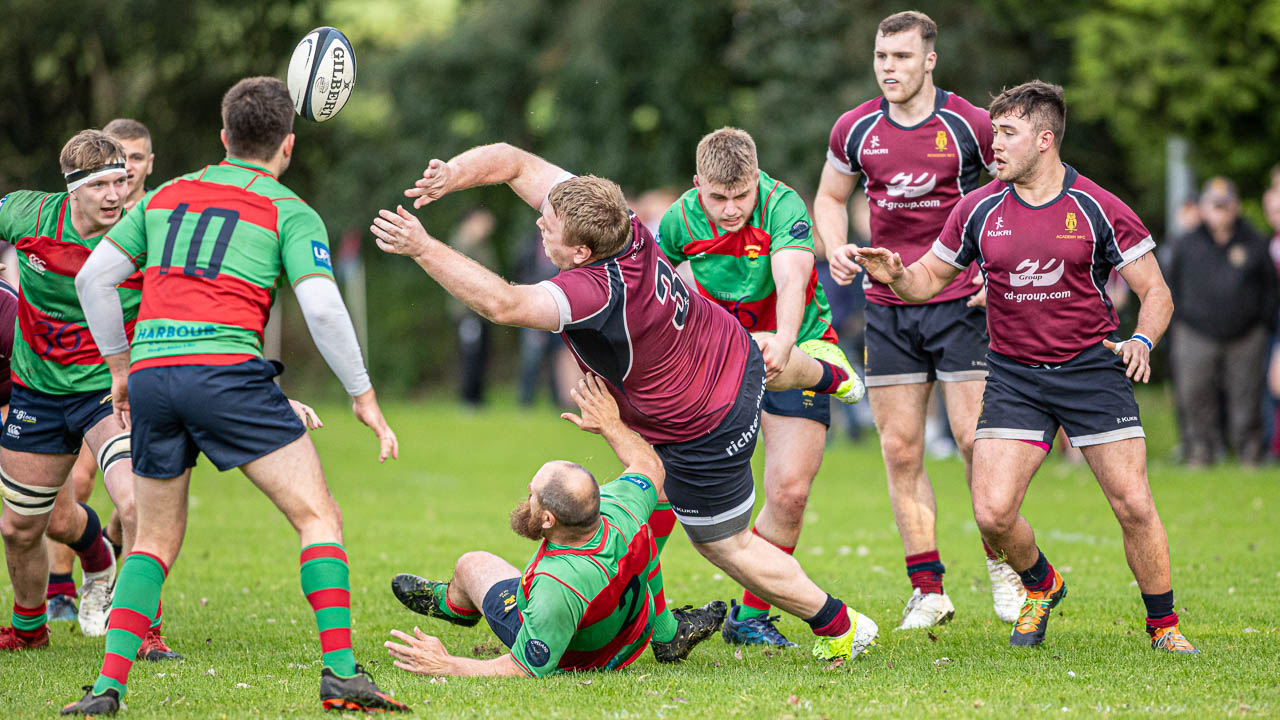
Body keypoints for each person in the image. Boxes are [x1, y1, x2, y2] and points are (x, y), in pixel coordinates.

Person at [371, 141, 879, 666]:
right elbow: (513, 161)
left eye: (549, 226)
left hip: (705, 421)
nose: (540, 225)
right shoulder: (622, 222)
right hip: (728, 347)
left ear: (582, 253)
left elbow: (504, 303)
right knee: (645, 500)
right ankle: (829, 372)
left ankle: (842, 626)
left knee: (726, 546)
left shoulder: (595, 291)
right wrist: (450, 175)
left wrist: (422, 247)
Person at [64, 76, 407, 715]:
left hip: (154, 374)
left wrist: (119, 368)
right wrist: (362, 394)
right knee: (317, 517)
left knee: (153, 543)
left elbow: (93, 278)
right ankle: (340, 675)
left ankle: (107, 690)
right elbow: (325, 309)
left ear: (224, 138)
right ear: (288, 146)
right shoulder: (289, 207)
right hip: (225, 370)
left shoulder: (166, 194)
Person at [855, 80, 1197, 653]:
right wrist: (895, 273)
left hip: (1092, 370)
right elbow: (928, 280)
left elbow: (1156, 292)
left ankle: (1164, 628)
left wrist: (1142, 338)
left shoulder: (1098, 207)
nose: (995, 147)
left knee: (1134, 505)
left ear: (1044, 139)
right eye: (994, 134)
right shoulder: (978, 208)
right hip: (1014, 375)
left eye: (1007, 135)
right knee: (991, 513)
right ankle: (1042, 583)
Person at [813, 10, 1024, 629]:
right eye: (882, 57)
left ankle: (1004, 570)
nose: (889, 69)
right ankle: (928, 588)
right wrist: (836, 247)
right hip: (888, 309)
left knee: (971, 442)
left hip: (960, 304)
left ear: (930, 60)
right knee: (900, 448)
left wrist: (996, 268)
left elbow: (1015, 189)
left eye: (902, 58)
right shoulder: (855, 129)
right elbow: (831, 196)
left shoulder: (970, 125)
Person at [656, 127, 863, 648]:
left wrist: (786, 344)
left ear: (756, 180)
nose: (729, 209)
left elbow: (793, 276)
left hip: (798, 345)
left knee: (790, 493)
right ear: (696, 183)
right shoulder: (679, 219)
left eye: (740, 196)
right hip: (720, 354)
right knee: (657, 483)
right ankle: (636, 608)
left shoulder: (782, 204)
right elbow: (651, 291)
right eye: (717, 197)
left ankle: (750, 618)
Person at [387, 373, 704, 676]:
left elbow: (523, 668)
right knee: (656, 495)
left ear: (549, 519)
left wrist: (447, 664)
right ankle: (666, 632)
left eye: (532, 495)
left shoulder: (556, 586)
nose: (527, 497)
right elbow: (650, 465)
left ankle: (453, 605)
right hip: (631, 631)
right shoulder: (621, 509)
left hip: (582, 653)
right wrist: (610, 425)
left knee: (471, 564)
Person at [0, 130, 167, 653]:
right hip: (37, 392)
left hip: (108, 392)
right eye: (101, 186)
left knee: (138, 503)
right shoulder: (28, 217)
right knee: (20, 528)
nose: (116, 195)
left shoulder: (147, 233)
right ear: (72, 190)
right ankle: (29, 629)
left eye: (122, 181)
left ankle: (144, 631)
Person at [45, 118, 155, 626]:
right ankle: (64, 587)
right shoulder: (66, 220)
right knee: (73, 492)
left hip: (136, 381)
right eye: (117, 163)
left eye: (134, 161)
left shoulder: (153, 226)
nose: (125, 171)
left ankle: (133, 612)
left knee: (137, 500)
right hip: (72, 381)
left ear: (147, 166)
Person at [1164, 177, 1276, 467]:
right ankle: (1200, 452)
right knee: (1195, 395)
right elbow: (1169, 285)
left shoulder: (1254, 241)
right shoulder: (1185, 243)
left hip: (1246, 334)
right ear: (1203, 207)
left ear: (1236, 207)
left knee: (1247, 396)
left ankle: (1250, 454)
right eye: (1215, 206)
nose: (1221, 212)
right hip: (1194, 332)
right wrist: (1176, 326)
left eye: (1226, 206)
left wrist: (1263, 323)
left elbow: (1270, 289)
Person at [446, 208, 499, 407]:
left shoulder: (481, 244)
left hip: (482, 311)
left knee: (481, 355)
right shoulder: (463, 242)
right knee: (470, 355)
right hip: (468, 313)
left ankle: (477, 398)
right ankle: (468, 399)